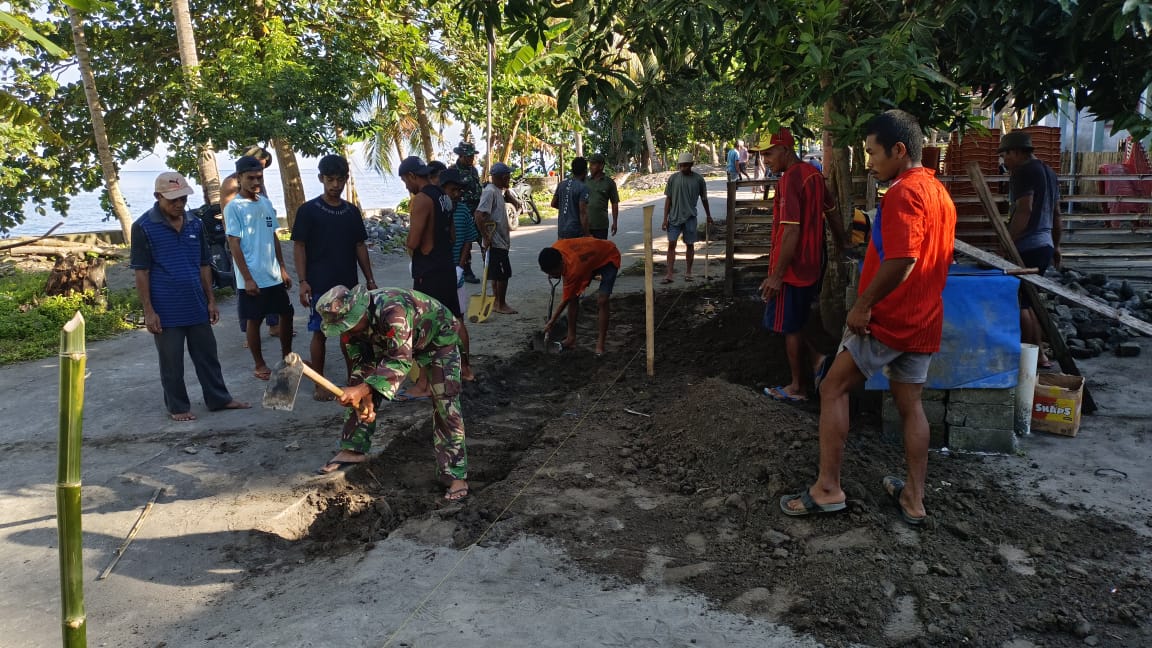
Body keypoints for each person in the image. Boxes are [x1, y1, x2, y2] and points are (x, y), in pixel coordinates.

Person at [779, 109, 956, 527]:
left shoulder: (902, 194)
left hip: (887, 318)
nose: (870, 161)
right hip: (925, 317)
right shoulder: (938, 193)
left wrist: (863, 304)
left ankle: (827, 488)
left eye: (873, 153)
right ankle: (913, 498)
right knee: (911, 404)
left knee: (833, 388)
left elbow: (904, 259)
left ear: (899, 150)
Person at [313, 285, 469, 501]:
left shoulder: (393, 311)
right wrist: (364, 395)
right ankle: (353, 448)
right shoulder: (351, 331)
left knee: (445, 401)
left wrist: (364, 389)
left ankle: (455, 475)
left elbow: (400, 361)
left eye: (349, 325)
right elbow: (361, 365)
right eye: (341, 328)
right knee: (357, 386)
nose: (346, 332)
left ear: (360, 311)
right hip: (390, 342)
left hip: (437, 337)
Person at [130, 172, 250, 421]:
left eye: (183, 199)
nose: (178, 204)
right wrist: (149, 311)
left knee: (208, 355)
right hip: (166, 307)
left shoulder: (195, 223)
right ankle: (177, 406)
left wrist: (211, 300)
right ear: (158, 197)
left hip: (196, 303)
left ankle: (219, 398)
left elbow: (204, 264)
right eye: (173, 200)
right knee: (171, 361)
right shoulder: (143, 227)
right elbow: (141, 272)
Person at [291, 154, 377, 401]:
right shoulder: (308, 211)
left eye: (340, 180)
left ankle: (353, 381)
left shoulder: (351, 212)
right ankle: (320, 385)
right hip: (319, 283)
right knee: (319, 333)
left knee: (350, 334)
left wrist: (369, 279)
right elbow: (299, 246)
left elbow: (360, 245)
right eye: (330, 179)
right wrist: (303, 281)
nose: (335, 185)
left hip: (348, 284)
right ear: (321, 179)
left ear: (346, 180)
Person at [759, 128, 832, 403]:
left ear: (785, 150)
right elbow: (832, 209)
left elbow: (790, 231)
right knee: (797, 320)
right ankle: (817, 360)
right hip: (812, 262)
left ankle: (797, 387)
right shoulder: (814, 174)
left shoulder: (789, 180)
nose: (766, 159)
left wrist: (777, 275)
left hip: (792, 267)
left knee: (788, 326)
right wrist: (842, 242)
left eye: (769, 153)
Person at [400, 156, 474, 384]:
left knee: (423, 325)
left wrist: (413, 249)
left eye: (405, 181)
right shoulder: (443, 196)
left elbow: (414, 241)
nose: (406, 187)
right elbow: (451, 235)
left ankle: (424, 382)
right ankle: (466, 368)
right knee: (455, 320)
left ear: (412, 176)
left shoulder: (422, 199)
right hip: (446, 267)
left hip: (429, 271)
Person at [224, 155, 295, 380]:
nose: (256, 182)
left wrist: (282, 267)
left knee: (287, 313)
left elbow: (272, 235)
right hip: (252, 277)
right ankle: (259, 364)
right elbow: (233, 243)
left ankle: (287, 356)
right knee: (254, 320)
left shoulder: (264, 202)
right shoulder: (234, 207)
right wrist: (247, 278)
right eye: (251, 178)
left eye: (259, 177)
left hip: (272, 274)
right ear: (239, 178)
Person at [999, 130, 1063, 370]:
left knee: (1021, 302)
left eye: (1005, 155)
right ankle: (1039, 353)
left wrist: (1007, 244)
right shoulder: (1049, 172)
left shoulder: (1022, 172)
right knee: (1031, 300)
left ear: (1017, 152)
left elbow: (1024, 210)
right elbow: (1057, 215)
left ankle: (1034, 356)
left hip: (1027, 246)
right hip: (1044, 245)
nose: (1004, 161)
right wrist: (1056, 247)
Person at [220, 145, 281, 340]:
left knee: (270, 285)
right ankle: (248, 332)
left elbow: (263, 208)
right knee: (246, 291)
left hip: (263, 239)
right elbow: (230, 211)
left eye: (262, 170)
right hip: (242, 240)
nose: (259, 172)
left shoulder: (256, 182)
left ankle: (274, 325)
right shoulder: (232, 183)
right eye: (259, 165)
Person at [538, 238, 621, 355]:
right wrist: (553, 273)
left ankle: (600, 343)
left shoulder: (574, 269)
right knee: (573, 298)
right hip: (589, 259)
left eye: (554, 272)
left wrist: (552, 321)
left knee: (602, 300)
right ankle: (571, 339)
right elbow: (569, 295)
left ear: (561, 264)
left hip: (608, 256)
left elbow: (565, 299)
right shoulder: (555, 249)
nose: (553, 276)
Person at [661, 152, 713, 283]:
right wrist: (664, 219)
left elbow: (704, 198)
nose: (683, 168)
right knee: (671, 244)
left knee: (690, 244)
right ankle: (669, 274)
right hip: (674, 218)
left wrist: (708, 215)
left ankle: (689, 272)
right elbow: (668, 199)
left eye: (685, 166)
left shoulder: (699, 180)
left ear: (691, 165)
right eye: (681, 166)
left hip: (690, 217)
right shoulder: (673, 179)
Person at [475, 162, 518, 314]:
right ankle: (501, 303)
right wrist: (486, 237)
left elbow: (516, 206)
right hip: (495, 241)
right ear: (503, 177)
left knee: (495, 273)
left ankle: (496, 302)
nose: (510, 179)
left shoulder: (498, 191)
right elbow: (479, 215)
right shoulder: (490, 192)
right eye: (508, 176)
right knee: (502, 274)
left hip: (499, 240)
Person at [453, 142, 483, 284]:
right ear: (461, 156)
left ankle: (489, 269)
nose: (472, 159)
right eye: (469, 156)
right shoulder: (454, 171)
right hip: (463, 210)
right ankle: (467, 271)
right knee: (467, 242)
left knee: (483, 239)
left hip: (477, 209)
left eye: (473, 156)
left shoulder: (474, 170)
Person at [552, 156, 589, 239]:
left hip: (562, 230)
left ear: (572, 170)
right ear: (585, 172)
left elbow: (553, 203)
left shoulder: (561, 184)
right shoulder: (583, 187)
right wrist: (587, 234)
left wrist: (566, 207)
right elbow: (583, 213)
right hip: (575, 231)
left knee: (562, 251)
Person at [585, 153, 621, 239]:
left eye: (593, 164)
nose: (590, 167)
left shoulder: (609, 183)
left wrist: (615, 222)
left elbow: (614, 203)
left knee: (600, 250)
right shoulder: (585, 181)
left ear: (601, 166)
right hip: (585, 225)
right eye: (590, 164)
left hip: (601, 226)